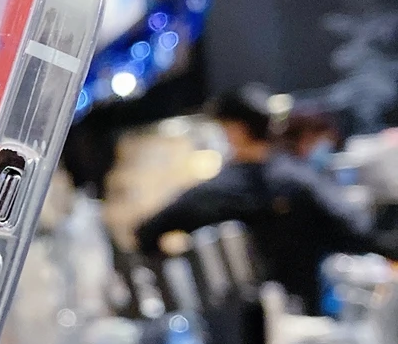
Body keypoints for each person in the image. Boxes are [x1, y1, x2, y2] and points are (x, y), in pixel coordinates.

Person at [135, 84, 398, 314]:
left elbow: (153, 229)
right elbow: (355, 226)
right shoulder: (295, 174)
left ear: (235, 130)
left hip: (268, 316)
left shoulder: (233, 186)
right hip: (317, 304)